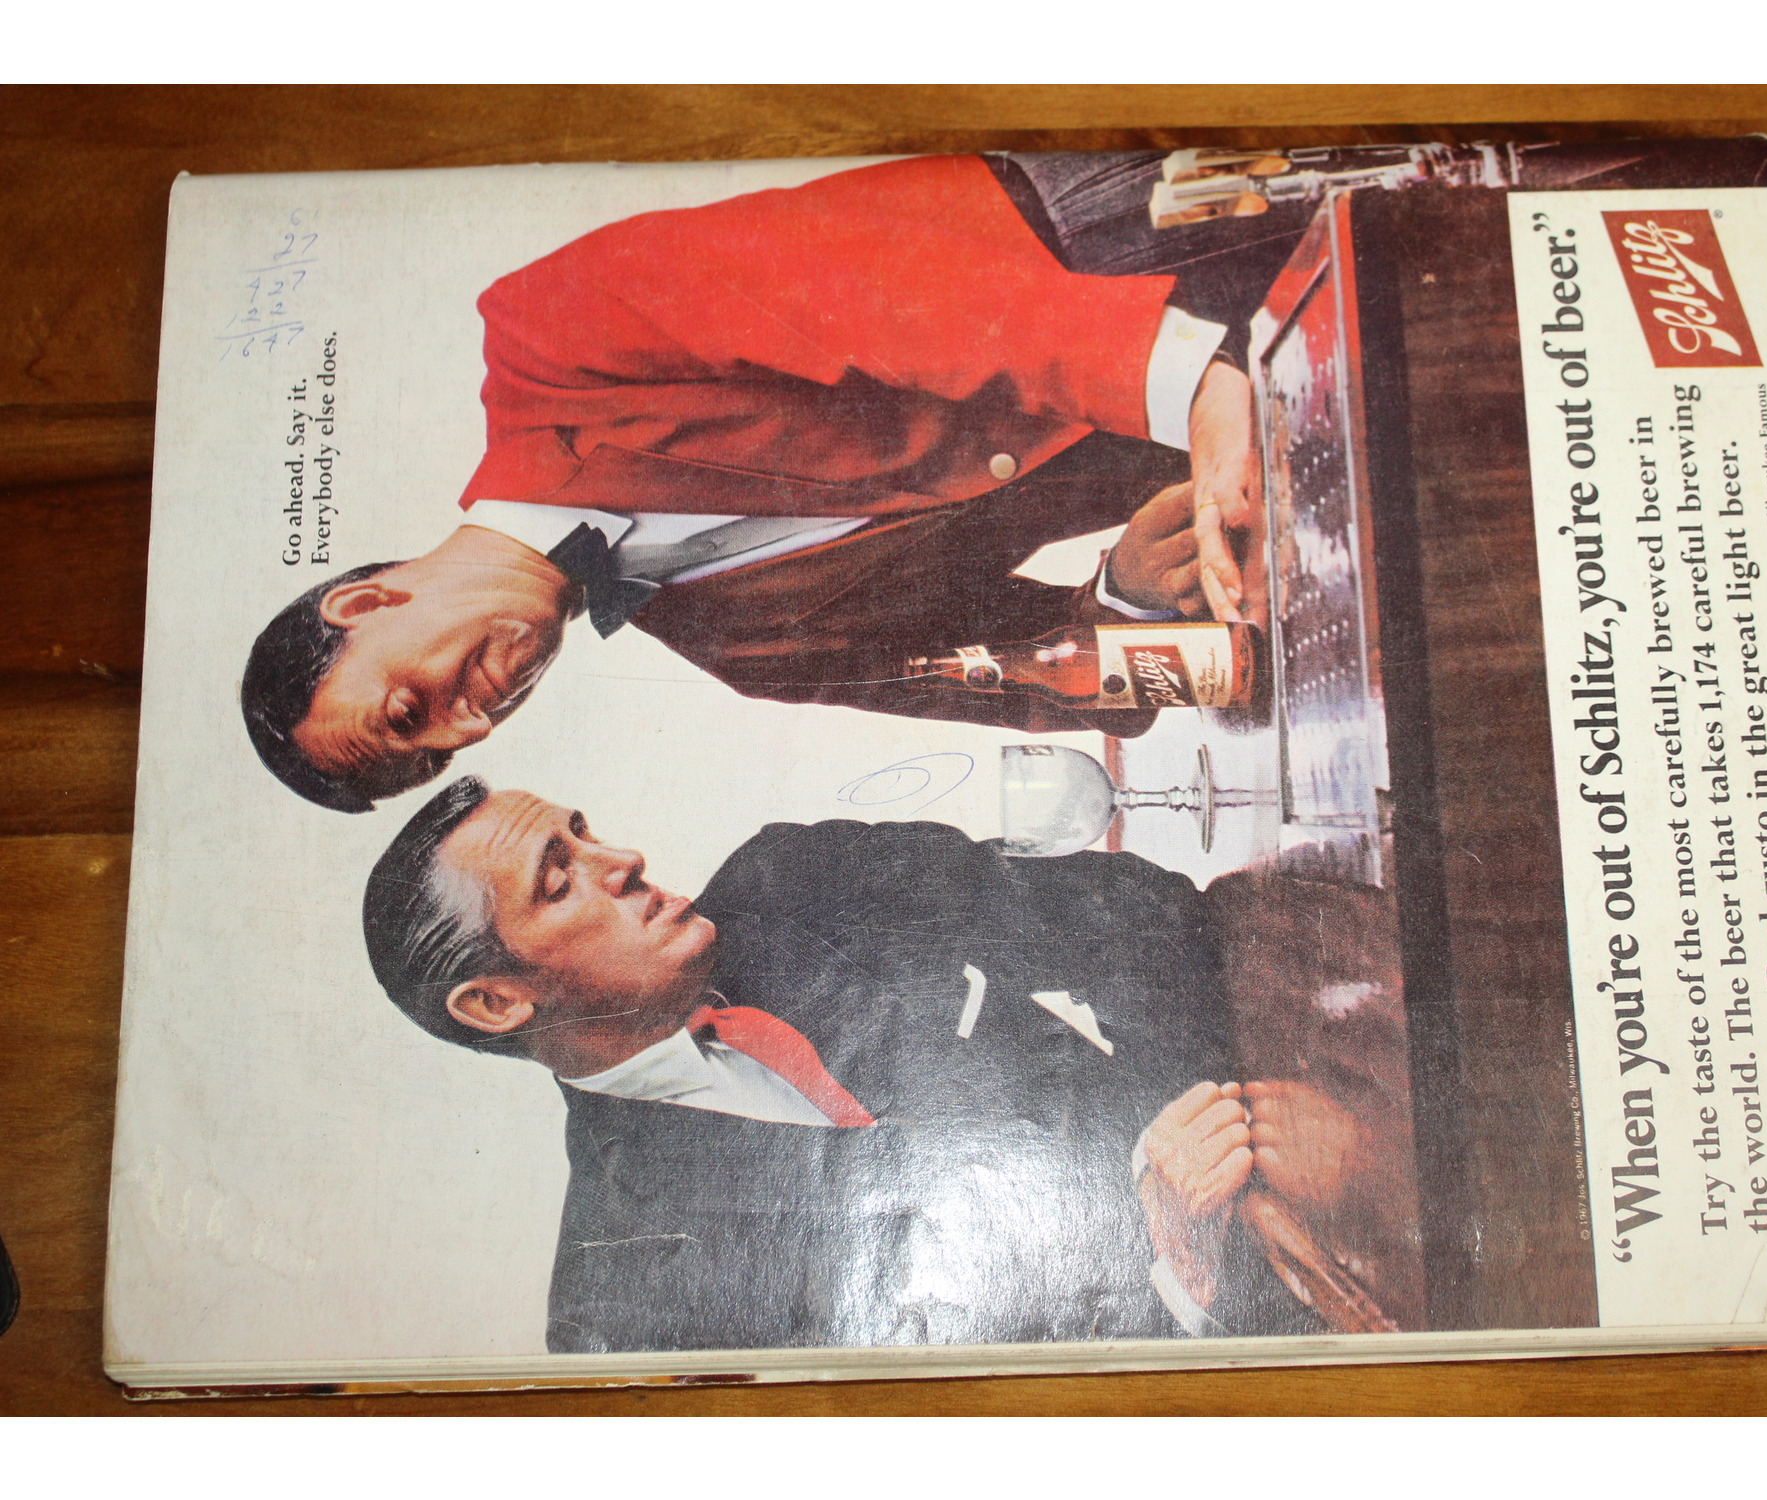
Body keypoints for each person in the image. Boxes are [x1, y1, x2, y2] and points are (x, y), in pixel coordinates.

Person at [247, 152, 1309, 811]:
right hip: (1231, 455)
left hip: (1116, 245)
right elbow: (1037, 682)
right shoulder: (738, 653)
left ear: (365, 603)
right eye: (436, 757)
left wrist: (1185, 385)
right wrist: (1128, 597)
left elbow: (872, 293)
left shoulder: (541, 342)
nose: (473, 728)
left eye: (408, 711)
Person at [362, 775, 1326, 1351]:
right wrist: (1180, 1265)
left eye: (583, 832)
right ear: (496, 1003)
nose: (622, 858)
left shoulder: (797, 879)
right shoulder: (617, 1315)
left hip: (1315, 1156)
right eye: (559, 878)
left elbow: (1144, 915)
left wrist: (1220, 1145)